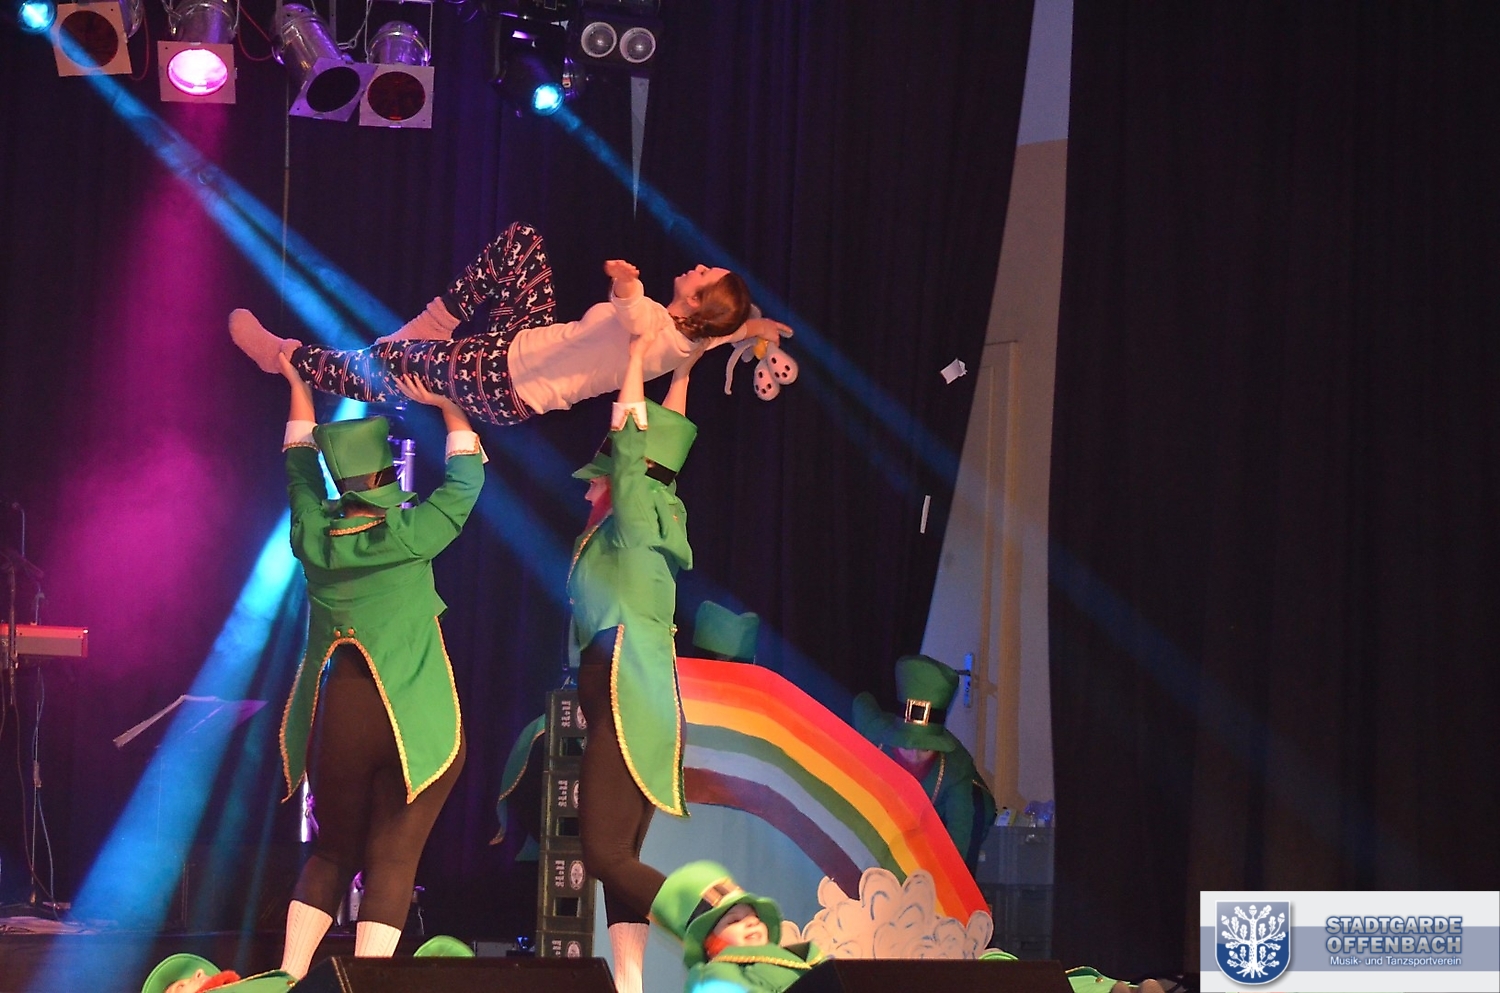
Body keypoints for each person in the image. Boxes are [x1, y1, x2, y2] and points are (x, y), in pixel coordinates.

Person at [274, 354, 485, 978]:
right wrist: (449, 407)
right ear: (387, 477)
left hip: (338, 718)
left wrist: (297, 386)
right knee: (393, 859)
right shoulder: (410, 534)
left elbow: (299, 467)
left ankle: (286, 978)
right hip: (410, 722)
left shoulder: (312, 536)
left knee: (331, 852)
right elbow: (465, 481)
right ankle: (368, 987)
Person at [228, 222, 790, 426]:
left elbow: (634, 310)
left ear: (697, 303)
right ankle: (430, 328)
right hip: (520, 342)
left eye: (704, 275)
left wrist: (625, 282)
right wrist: (753, 330)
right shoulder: (691, 339)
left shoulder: (656, 329)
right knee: (523, 244)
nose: (696, 268)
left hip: (504, 380)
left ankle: (284, 357)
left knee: (392, 366)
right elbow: (719, 335)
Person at [567, 307, 701, 993]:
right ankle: (630, 986)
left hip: (627, 692)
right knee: (620, 858)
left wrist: (638, 356)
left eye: (601, 476)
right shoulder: (656, 509)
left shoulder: (630, 518)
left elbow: (633, 445)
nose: (591, 485)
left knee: (603, 854)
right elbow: (660, 447)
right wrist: (685, 365)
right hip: (638, 696)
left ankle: (718, 920)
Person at [852, 655, 997, 873]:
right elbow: (861, 703)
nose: (914, 755)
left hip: (940, 830)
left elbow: (958, 854)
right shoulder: (874, 735)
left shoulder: (956, 770)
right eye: (906, 744)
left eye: (925, 748)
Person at [650, 860, 824, 993]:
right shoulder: (713, 975)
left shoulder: (801, 958)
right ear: (711, 943)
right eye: (734, 921)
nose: (751, 922)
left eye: (755, 917)